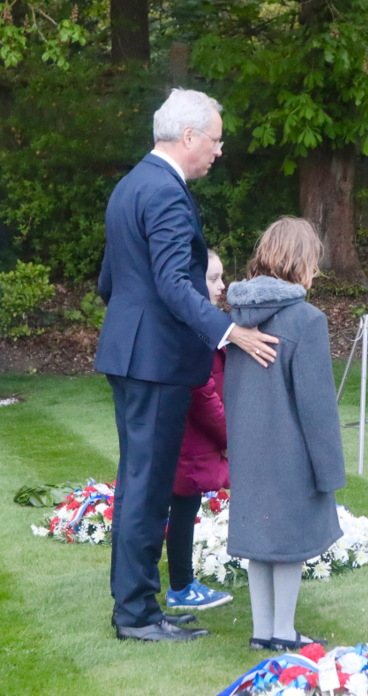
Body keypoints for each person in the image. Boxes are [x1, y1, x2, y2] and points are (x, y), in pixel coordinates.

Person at [95, 89, 279, 642]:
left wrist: (136, 332)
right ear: (190, 136)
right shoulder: (168, 194)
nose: (218, 152)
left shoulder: (130, 185)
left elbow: (111, 282)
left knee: (137, 485)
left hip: (131, 355)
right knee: (148, 489)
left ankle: (137, 605)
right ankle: (136, 616)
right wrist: (230, 331)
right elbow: (176, 283)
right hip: (155, 362)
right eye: (216, 141)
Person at [223, 216, 346, 652]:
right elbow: (317, 408)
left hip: (247, 446)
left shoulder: (235, 320)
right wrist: (329, 471)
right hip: (291, 452)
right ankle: (282, 631)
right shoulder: (306, 321)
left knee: (260, 539)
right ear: (302, 263)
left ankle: (262, 631)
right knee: (289, 544)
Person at [165, 249, 233, 612]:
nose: (221, 286)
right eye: (213, 279)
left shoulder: (204, 324)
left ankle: (181, 582)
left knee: (183, 504)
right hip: (190, 438)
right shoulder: (195, 329)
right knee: (183, 505)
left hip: (192, 437)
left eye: (221, 278)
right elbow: (202, 391)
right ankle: (180, 585)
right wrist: (230, 436)